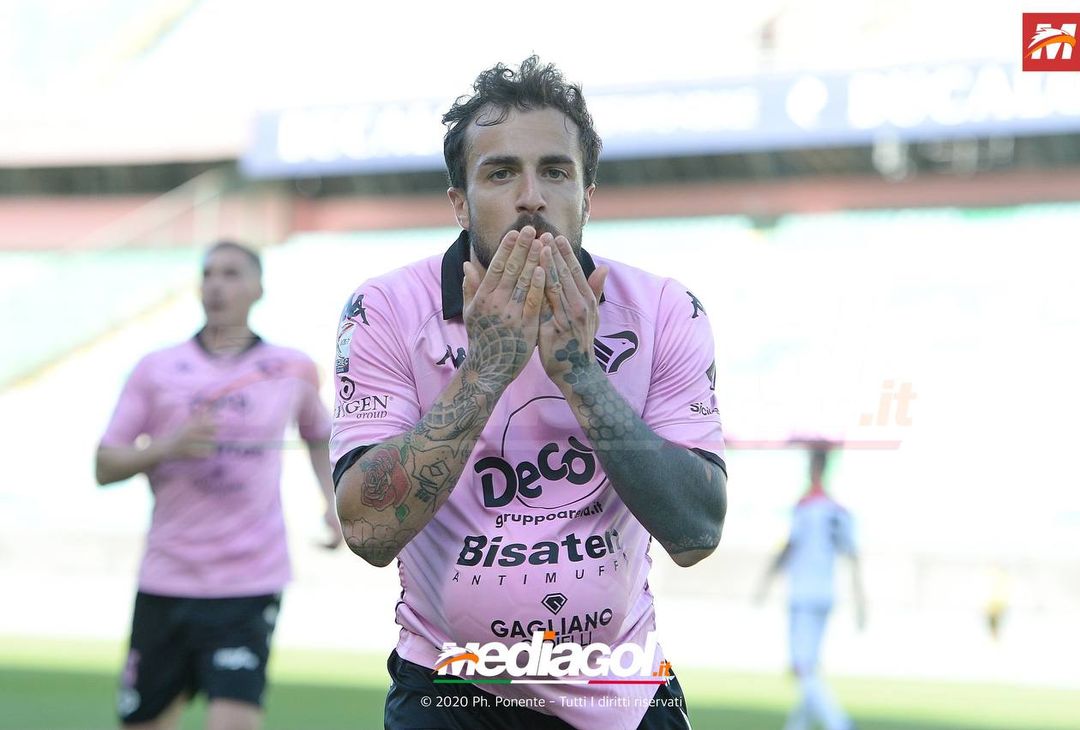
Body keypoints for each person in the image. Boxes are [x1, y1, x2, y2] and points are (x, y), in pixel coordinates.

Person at [332, 57, 727, 730]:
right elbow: (368, 530)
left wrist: (581, 374)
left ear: (587, 194)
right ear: (459, 203)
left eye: (555, 171)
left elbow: (696, 532)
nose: (531, 197)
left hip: (623, 691)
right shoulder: (387, 309)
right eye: (500, 173)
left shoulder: (664, 309)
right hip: (452, 689)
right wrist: (486, 370)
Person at [95, 240, 340, 730]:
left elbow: (319, 435)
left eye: (230, 274)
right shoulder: (156, 368)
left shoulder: (291, 367)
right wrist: (168, 446)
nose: (216, 285)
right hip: (168, 579)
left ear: (258, 289)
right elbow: (104, 465)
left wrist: (331, 503)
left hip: (249, 581)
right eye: (208, 274)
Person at [756, 444, 865, 730]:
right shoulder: (839, 511)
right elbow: (852, 555)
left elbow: (789, 546)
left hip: (803, 594)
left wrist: (766, 581)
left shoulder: (805, 507)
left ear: (813, 467)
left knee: (802, 667)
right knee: (810, 666)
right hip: (826, 593)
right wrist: (860, 601)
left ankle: (840, 724)